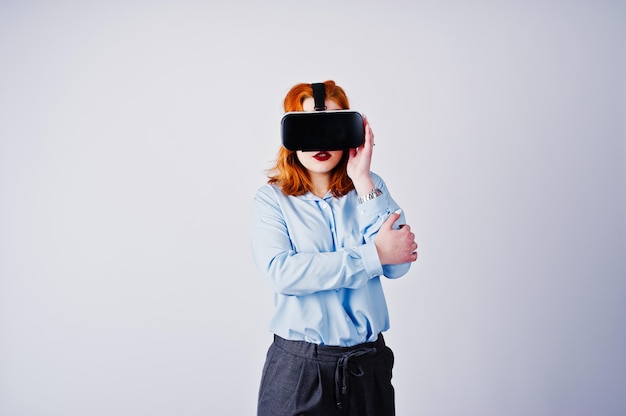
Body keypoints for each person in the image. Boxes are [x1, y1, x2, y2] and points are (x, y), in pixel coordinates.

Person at [251, 80, 418, 416]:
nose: (320, 142)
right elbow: (283, 274)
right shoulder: (272, 200)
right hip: (299, 370)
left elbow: (399, 264)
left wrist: (363, 178)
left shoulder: (370, 188)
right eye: (308, 128)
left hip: (366, 368)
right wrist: (373, 255)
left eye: (330, 126)